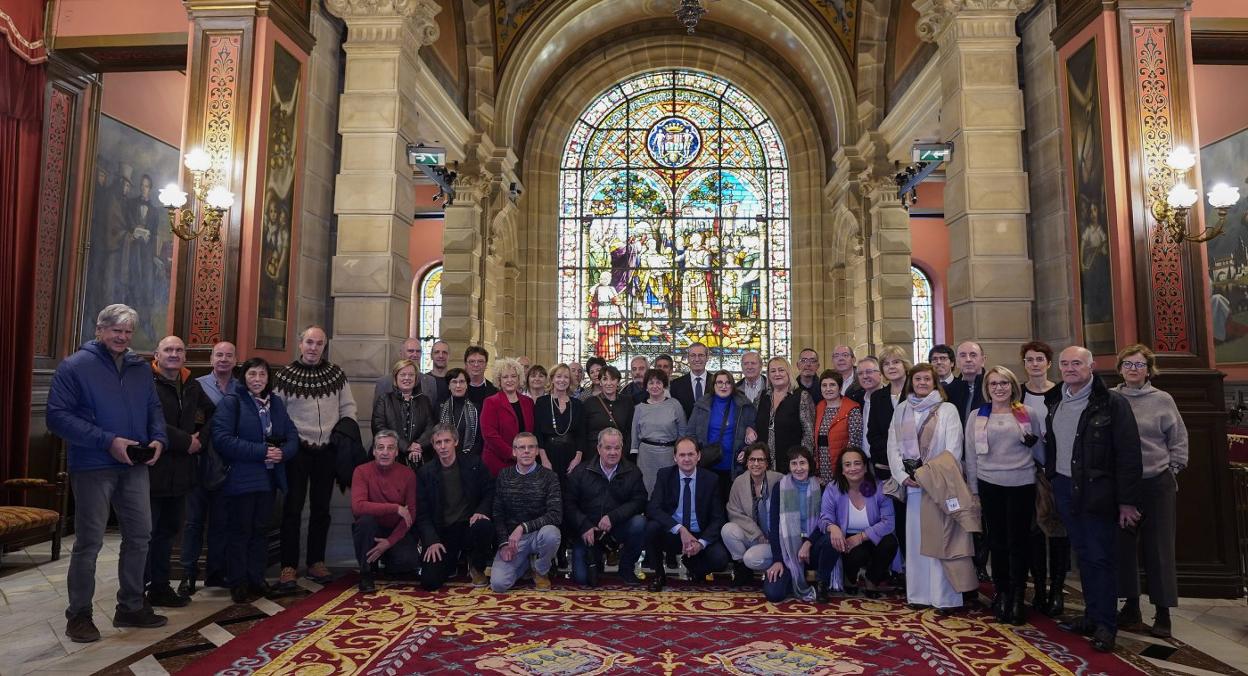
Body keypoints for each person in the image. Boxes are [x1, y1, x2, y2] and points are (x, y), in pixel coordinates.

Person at [48, 304, 170, 642]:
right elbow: (57, 417)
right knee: (89, 543)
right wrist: (108, 441)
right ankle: (79, 616)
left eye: (128, 331)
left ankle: (131, 607)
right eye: (116, 330)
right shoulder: (74, 366)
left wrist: (158, 438)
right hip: (93, 465)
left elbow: (153, 408)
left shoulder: (140, 368)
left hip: (135, 466)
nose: (123, 337)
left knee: (140, 535)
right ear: (100, 330)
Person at [1046, 346, 1142, 652]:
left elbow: (1128, 454)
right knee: (1083, 555)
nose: (1070, 368)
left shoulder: (1111, 403)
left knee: (1101, 557)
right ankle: (1091, 615)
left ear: (1091, 366)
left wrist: (1127, 501)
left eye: (1077, 363)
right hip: (1064, 486)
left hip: (1098, 490)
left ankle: (1105, 624)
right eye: (1065, 364)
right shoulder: (1056, 399)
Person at [273, 326, 358, 589]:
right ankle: (288, 565)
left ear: (324, 346)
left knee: (322, 509)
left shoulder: (336, 374)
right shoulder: (285, 376)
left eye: (319, 343)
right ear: (300, 344)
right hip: (297, 450)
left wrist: (343, 432)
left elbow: (348, 406)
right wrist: (289, 440)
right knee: (292, 509)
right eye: (309, 342)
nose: (313, 347)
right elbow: (278, 412)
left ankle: (316, 561)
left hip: (327, 450)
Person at [1114, 344, 1187, 639]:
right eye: (1128, 365)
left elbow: (1178, 438)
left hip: (1156, 481)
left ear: (1149, 369)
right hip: (1122, 484)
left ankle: (1164, 612)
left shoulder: (1162, 400)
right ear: (1120, 368)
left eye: (1139, 365)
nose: (1133, 370)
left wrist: (1173, 468)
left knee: (1159, 548)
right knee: (1123, 547)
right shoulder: (1111, 398)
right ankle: (1130, 606)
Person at [212, 357, 299, 604]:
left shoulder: (276, 403)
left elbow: (292, 435)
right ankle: (238, 581)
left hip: (270, 477)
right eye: (252, 375)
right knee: (241, 530)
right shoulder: (233, 402)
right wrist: (261, 451)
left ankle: (256, 578)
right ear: (244, 377)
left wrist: (284, 452)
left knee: (261, 530)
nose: (258, 380)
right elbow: (222, 439)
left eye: (262, 375)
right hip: (242, 477)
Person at [963, 366, 1045, 625]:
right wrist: (974, 490)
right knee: (996, 541)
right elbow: (972, 457)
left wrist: (1035, 444)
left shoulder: (1026, 413)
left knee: (1018, 541)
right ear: (987, 389)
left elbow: (1041, 456)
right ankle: (1003, 592)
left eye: (1004, 383)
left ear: (1012, 387)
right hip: (990, 483)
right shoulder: (978, 416)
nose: (999, 388)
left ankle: (1019, 595)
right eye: (994, 384)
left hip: (1021, 482)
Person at [887, 363, 968, 612]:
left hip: (939, 485)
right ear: (912, 382)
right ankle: (920, 594)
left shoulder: (947, 410)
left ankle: (945, 597)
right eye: (918, 379)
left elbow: (953, 448)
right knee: (916, 541)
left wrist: (929, 476)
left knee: (941, 540)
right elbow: (893, 446)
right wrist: (902, 476)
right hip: (912, 487)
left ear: (935, 383)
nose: (922, 383)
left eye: (927, 379)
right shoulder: (902, 409)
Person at [147, 336, 213, 608]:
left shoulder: (191, 385)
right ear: (157, 354)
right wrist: (187, 441)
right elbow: (151, 421)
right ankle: (135, 593)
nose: (174, 354)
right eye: (168, 349)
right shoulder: (146, 383)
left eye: (179, 350)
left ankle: (161, 588)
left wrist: (200, 438)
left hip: (181, 474)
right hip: (152, 470)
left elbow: (214, 414)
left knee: (168, 533)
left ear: (185, 356)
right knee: (144, 536)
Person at [1019, 340, 1068, 616]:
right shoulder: (1019, 395)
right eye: (1029, 360)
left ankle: (1057, 589)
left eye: (1039, 359)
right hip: (1029, 470)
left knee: (1059, 530)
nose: (1034, 364)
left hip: (1058, 470)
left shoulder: (1062, 393)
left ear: (1049, 363)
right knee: (1033, 532)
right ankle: (1038, 587)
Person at [182, 341, 235, 596]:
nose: (224, 359)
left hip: (227, 464)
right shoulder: (196, 385)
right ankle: (188, 575)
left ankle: (216, 574)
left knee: (221, 523)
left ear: (235, 360)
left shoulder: (242, 387)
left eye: (229, 355)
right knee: (193, 522)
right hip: (198, 462)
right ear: (212, 358)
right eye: (219, 355)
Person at [644, 437, 730, 591]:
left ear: (699, 456)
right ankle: (659, 575)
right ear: (675, 457)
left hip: (699, 535)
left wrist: (701, 543)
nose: (686, 459)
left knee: (720, 558)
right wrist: (680, 529)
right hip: (674, 534)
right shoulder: (665, 475)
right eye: (682, 455)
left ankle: (695, 566)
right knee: (651, 528)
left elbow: (718, 518)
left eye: (691, 454)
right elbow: (653, 508)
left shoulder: (711, 479)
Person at [564, 428, 648, 586]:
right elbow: (568, 503)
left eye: (617, 448)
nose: (613, 452)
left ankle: (626, 568)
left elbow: (640, 500)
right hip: (588, 531)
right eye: (608, 448)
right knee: (583, 579)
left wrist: (613, 517)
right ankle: (596, 561)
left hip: (617, 527)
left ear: (622, 448)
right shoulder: (581, 471)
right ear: (598, 448)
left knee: (640, 523)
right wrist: (584, 525)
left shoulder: (633, 471)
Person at [416, 424, 495, 590]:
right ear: (433, 445)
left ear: (456, 442)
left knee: (484, 526)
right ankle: (451, 562)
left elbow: (490, 491)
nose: (443, 446)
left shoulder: (474, 463)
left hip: (469, 526)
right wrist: (431, 541)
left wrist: (481, 511)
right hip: (443, 532)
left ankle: (476, 566)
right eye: (438, 443)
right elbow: (422, 513)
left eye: (447, 441)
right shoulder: (425, 473)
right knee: (429, 582)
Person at [818, 446, 897, 596]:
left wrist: (861, 537)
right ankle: (850, 578)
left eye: (857, 463)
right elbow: (823, 519)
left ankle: (871, 580)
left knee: (890, 543)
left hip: (871, 537)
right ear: (842, 469)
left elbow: (889, 522)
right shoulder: (832, 489)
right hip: (847, 541)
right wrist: (832, 527)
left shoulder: (879, 487)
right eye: (847, 465)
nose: (852, 468)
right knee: (858, 553)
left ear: (865, 467)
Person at [490, 433, 563, 592]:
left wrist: (523, 527)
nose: (526, 451)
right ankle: (525, 564)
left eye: (531, 447)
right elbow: (497, 513)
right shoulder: (504, 475)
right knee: (498, 585)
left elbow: (556, 515)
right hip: (514, 540)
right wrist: (503, 543)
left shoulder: (549, 477)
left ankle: (541, 570)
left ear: (537, 451)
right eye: (521, 447)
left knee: (552, 533)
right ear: (514, 452)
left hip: (539, 535)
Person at [351, 430, 420, 593]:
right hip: (371, 529)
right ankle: (366, 573)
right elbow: (358, 507)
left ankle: (388, 559)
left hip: (395, 531)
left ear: (396, 452)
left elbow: (411, 514)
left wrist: (388, 543)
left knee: (407, 562)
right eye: (380, 448)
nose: (385, 452)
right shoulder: (361, 471)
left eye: (390, 448)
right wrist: (395, 508)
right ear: (374, 451)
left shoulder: (408, 474)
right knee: (365, 522)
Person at [760, 446, 827, 602]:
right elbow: (775, 526)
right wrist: (777, 560)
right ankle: (794, 576)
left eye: (802, 463)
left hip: (813, 545)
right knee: (774, 594)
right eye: (794, 463)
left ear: (810, 465)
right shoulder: (780, 488)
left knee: (829, 539)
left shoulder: (821, 488)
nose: (798, 468)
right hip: (788, 548)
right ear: (788, 466)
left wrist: (808, 542)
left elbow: (824, 522)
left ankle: (823, 580)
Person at [866, 346, 910, 554]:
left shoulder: (915, 392)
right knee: (894, 520)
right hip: (887, 470)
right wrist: (891, 459)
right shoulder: (878, 397)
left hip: (914, 470)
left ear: (905, 365)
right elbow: (872, 435)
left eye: (896, 362)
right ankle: (899, 568)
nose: (891, 367)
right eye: (886, 364)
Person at [723, 443, 782, 586]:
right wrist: (757, 534)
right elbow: (734, 513)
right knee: (728, 530)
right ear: (746, 462)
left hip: (774, 541)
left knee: (752, 559)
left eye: (761, 460)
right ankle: (743, 568)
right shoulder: (739, 482)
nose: (756, 464)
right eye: (752, 459)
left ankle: (772, 566)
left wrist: (769, 536)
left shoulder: (779, 480)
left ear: (767, 463)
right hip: (753, 536)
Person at [747, 357, 815, 470]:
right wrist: (749, 429)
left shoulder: (801, 397)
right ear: (768, 375)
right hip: (763, 463)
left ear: (788, 372)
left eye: (781, 370)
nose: (777, 374)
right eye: (773, 371)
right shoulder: (762, 396)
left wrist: (802, 462)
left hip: (792, 463)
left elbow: (808, 434)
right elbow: (752, 421)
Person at [630, 368, 688, 493]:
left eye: (658, 383)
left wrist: (681, 452)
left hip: (669, 455)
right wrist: (634, 452)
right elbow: (635, 432)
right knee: (647, 488)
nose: (654, 386)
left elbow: (683, 430)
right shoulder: (639, 408)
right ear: (646, 386)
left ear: (664, 386)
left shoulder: (674, 405)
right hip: (646, 456)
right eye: (651, 383)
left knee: (668, 488)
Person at [372, 359, 437, 466]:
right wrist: (406, 446)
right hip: (391, 458)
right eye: (403, 374)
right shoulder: (384, 400)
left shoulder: (424, 400)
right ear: (396, 377)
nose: (407, 378)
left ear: (416, 378)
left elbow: (430, 427)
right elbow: (379, 428)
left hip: (420, 458)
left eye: (411, 375)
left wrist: (417, 446)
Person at [481, 358, 537, 476]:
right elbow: (490, 435)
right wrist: (513, 454)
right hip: (498, 462)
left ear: (519, 378)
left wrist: (525, 454)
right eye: (505, 377)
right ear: (499, 380)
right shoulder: (491, 402)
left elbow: (531, 432)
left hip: (525, 461)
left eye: (513, 376)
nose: (509, 380)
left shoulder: (528, 402)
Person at [535, 364, 587, 478]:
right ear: (552, 379)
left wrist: (577, 458)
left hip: (571, 455)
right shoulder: (541, 402)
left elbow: (581, 434)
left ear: (570, 381)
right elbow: (537, 433)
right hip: (548, 454)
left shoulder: (577, 404)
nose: (562, 380)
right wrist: (544, 459)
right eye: (559, 376)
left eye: (566, 377)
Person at [813, 370, 863, 485]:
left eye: (832, 385)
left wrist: (846, 468)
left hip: (842, 468)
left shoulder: (852, 409)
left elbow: (854, 443)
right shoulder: (820, 406)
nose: (828, 389)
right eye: (824, 385)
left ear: (840, 388)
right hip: (822, 468)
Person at [583, 365, 635, 460]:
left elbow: (630, 430)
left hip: (618, 454)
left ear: (618, 382)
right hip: (593, 454)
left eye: (613, 379)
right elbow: (583, 431)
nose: (609, 383)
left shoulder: (627, 402)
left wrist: (625, 452)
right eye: (605, 379)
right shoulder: (590, 402)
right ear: (600, 382)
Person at [439, 367, 482, 455]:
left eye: (462, 382)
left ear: (467, 385)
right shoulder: (440, 407)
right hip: (444, 455)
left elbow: (480, 438)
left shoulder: (477, 408)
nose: (458, 385)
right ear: (449, 386)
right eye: (454, 382)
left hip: (470, 456)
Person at [671, 341, 711, 418]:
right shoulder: (676, 385)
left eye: (701, 355)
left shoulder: (716, 382)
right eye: (693, 355)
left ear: (707, 358)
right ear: (688, 358)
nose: (697, 359)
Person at [954, 341, 987, 421]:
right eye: (963, 356)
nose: (968, 359)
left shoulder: (993, 387)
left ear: (983, 360)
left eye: (973, 355)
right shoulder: (950, 390)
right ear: (957, 362)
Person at [464, 346, 498, 410]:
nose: (476, 365)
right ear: (466, 364)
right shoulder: (456, 389)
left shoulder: (495, 390)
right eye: (472, 361)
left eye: (480, 361)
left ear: (486, 364)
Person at [428, 340, 452, 404]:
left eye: (444, 352)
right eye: (437, 352)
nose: (441, 356)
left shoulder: (454, 380)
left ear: (449, 356)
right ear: (431, 356)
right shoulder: (423, 380)